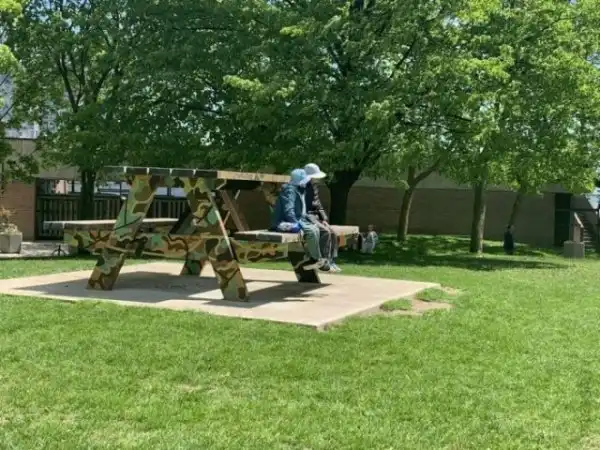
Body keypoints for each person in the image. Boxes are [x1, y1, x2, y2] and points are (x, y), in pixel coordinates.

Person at [271, 168, 332, 271]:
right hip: (284, 222)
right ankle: (316, 259)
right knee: (311, 231)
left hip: (299, 219)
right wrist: (297, 225)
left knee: (316, 229)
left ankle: (314, 259)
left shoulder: (298, 189)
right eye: (305, 179)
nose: (307, 181)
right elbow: (289, 211)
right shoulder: (290, 190)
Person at [303, 163, 341, 272]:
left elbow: (318, 203)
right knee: (325, 232)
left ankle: (331, 260)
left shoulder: (314, 187)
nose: (317, 179)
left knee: (333, 232)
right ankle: (323, 262)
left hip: (315, 216)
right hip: (307, 217)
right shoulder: (302, 187)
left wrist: (324, 218)